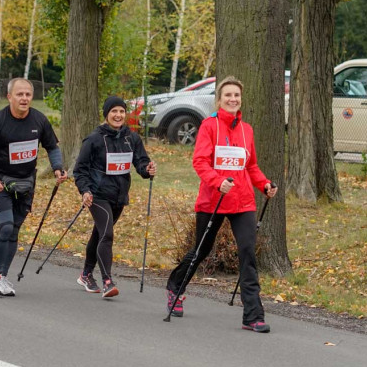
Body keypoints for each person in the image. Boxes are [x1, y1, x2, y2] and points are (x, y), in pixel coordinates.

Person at [164, 76, 278, 333]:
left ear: (241, 99)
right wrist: (218, 182)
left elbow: (251, 166)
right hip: (213, 200)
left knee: (247, 253)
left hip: (243, 202)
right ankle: (175, 287)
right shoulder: (209, 126)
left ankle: (253, 315)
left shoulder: (246, 130)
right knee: (201, 250)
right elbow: (200, 162)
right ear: (219, 99)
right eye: (228, 95)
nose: (232, 99)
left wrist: (264, 185)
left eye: (236, 95)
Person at [0, 77, 66, 296]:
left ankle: (3, 276)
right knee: (5, 227)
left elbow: (52, 147)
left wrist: (57, 167)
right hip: (1, 183)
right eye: (19, 94)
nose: (24, 98)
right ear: (9, 97)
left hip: (26, 183)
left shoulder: (39, 120)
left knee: (14, 230)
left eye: (28, 94)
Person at [73, 96, 156, 299]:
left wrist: (147, 169)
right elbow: (80, 170)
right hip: (97, 195)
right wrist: (85, 190)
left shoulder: (131, 138)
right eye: (114, 111)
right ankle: (107, 281)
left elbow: (141, 162)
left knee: (100, 234)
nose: (118, 115)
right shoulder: (94, 139)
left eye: (121, 111)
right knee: (107, 234)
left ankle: (85, 275)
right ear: (106, 114)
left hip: (119, 195)